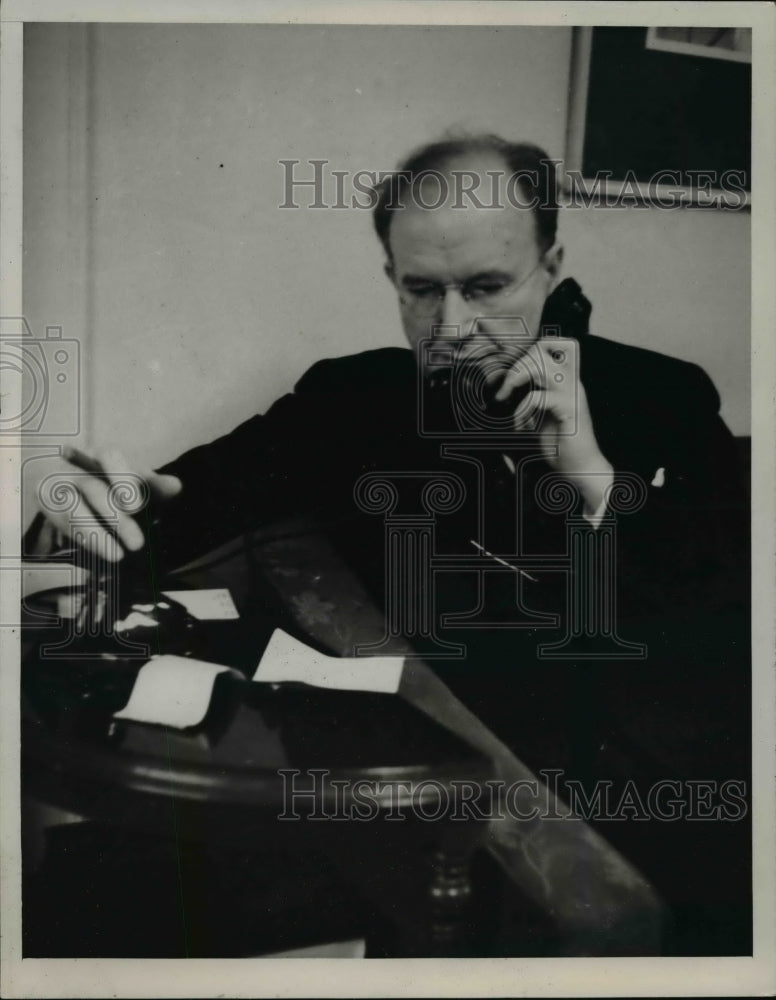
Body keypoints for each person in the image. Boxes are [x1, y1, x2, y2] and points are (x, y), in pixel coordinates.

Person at [23, 134, 750, 953]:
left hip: (617, 811)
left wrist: (591, 481)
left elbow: (716, 630)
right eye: (422, 291)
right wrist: (83, 514)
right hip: (401, 797)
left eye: (487, 287)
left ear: (553, 266)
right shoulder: (348, 401)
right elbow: (162, 508)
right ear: (392, 283)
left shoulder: (663, 398)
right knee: (76, 903)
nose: (454, 326)